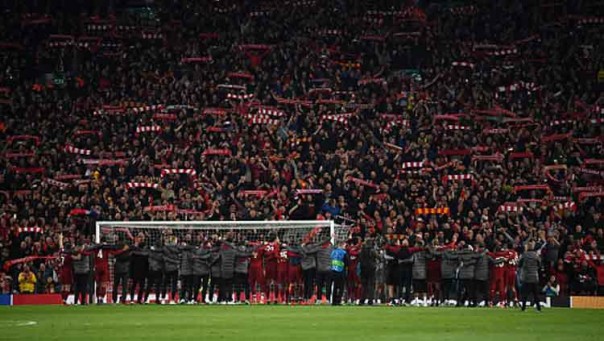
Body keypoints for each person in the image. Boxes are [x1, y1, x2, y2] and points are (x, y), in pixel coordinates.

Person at [519, 241, 542, 312]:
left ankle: (523, 308)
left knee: (525, 294)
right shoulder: (536, 255)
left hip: (526, 277)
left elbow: (520, 264)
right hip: (534, 276)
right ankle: (538, 308)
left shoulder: (524, 255)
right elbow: (540, 264)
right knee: (535, 294)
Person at [359, 237, 378, 305]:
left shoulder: (362, 250)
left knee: (364, 285)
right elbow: (378, 257)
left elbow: (360, 259)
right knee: (371, 285)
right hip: (371, 269)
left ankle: (362, 300)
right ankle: (370, 300)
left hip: (363, 269)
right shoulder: (372, 250)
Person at [329, 241, 348, 306]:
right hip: (341, 271)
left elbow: (331, 259)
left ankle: (333, 301)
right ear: (342, 245)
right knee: (341, 287)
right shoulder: (344, 252)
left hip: (333, 270)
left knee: (335, 286)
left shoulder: (333, 252)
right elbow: (347, 262)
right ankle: (338, 300)